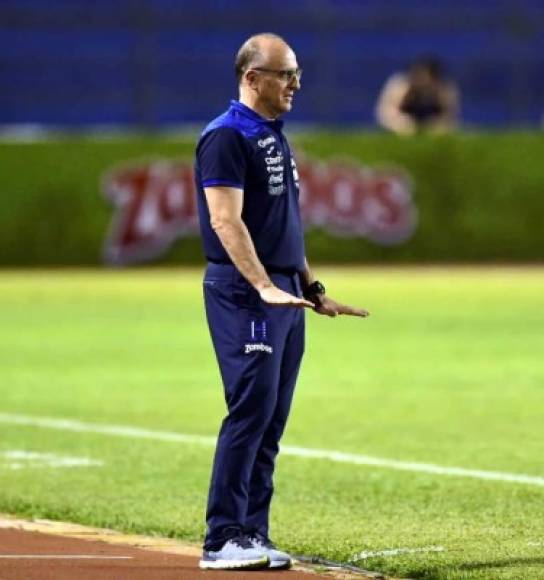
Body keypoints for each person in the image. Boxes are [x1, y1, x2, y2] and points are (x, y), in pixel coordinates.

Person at [194, 32, 369, 571]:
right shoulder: (226, 136)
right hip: (246, 294)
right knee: (249, 411)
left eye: (296, 73)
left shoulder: (274, 136)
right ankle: (221, 538)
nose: (296, 83)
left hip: (284, 294)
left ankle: (252, 533)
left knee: (270, 419)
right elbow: (225, 220)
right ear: (252, 77)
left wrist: (311, 289)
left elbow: (283, 227)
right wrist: (264, 285)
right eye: (285, 73)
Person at [376, 56, 460, 135]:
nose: (421, 80)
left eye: (425, 76)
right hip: (404, 119)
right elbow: (385, 113)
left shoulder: (444, 87)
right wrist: (403, 124)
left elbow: (449, 115)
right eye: (418, 75)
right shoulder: (400, 85)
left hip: (431, 120)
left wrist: (435, 125)